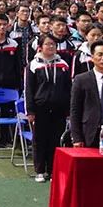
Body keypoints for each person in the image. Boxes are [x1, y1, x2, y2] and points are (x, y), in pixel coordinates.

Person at [24, 34, 71, 182]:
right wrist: (30, 111)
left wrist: (69, 109)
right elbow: (29, 89)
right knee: (40, 139)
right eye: (47, 44)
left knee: (56, 139)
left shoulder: (63, 64)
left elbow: (68, 88)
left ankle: (53, 170)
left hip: (59, 108)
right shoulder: (33, 64)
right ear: (40, 47)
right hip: (40, 108)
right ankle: (40, 170)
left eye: (53, 44)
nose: (50, 47)